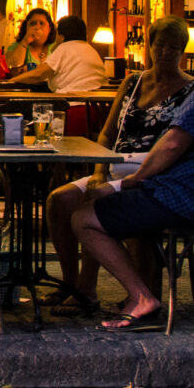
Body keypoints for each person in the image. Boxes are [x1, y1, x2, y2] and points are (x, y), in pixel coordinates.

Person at [43, 16, 194, 315]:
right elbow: (108, 132)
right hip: (113, 163)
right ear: (149, 46)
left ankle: (90, 290)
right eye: (160, 45)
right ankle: (72, 283)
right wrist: (99, 171)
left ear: (183, 52)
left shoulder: (190, 90)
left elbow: (175, 146)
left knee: (93, 202)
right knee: (58, 200)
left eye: (173, 48)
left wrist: (134, 178)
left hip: (152, 173)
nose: (165, 53)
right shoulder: (132, 81)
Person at [73, 60, 194, 331]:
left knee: (84, 217)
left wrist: (135, 180)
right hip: (174, 189)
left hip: (180, 195)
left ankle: (142, 297)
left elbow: (172, 145)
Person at [9, 15, 105, 93]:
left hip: (73, 105)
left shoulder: (64, 48)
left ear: (62, 36)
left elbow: (38, 74)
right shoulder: (92, 50)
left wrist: (11, 81)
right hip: (97, 107)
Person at [5, 7, 56, 75]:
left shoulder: (55, 47)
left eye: (41, 23)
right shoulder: (16, 46)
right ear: (26, 27)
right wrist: (26, 41)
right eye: (33, 23)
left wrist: (28, 68)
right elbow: (14, 64)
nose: (37, 27)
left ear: (49, 29)